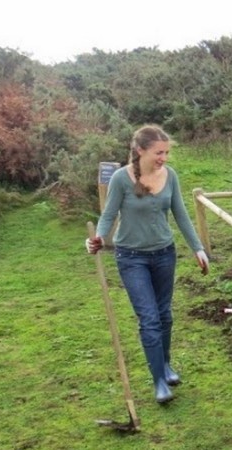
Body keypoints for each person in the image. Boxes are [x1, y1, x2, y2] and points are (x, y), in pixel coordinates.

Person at [86, 125, 209, 405]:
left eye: (166, 152)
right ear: (140, 150)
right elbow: (108, 214)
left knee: (165, 315)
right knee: (150, 318)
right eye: (158, 152)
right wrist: (97, 238)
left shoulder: (171, 176)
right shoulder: (120, 179)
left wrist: (198, 248)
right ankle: (158, 382)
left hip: (164, 254)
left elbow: (181, 214)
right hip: (131, 258)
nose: (164, 158)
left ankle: (165, 366)